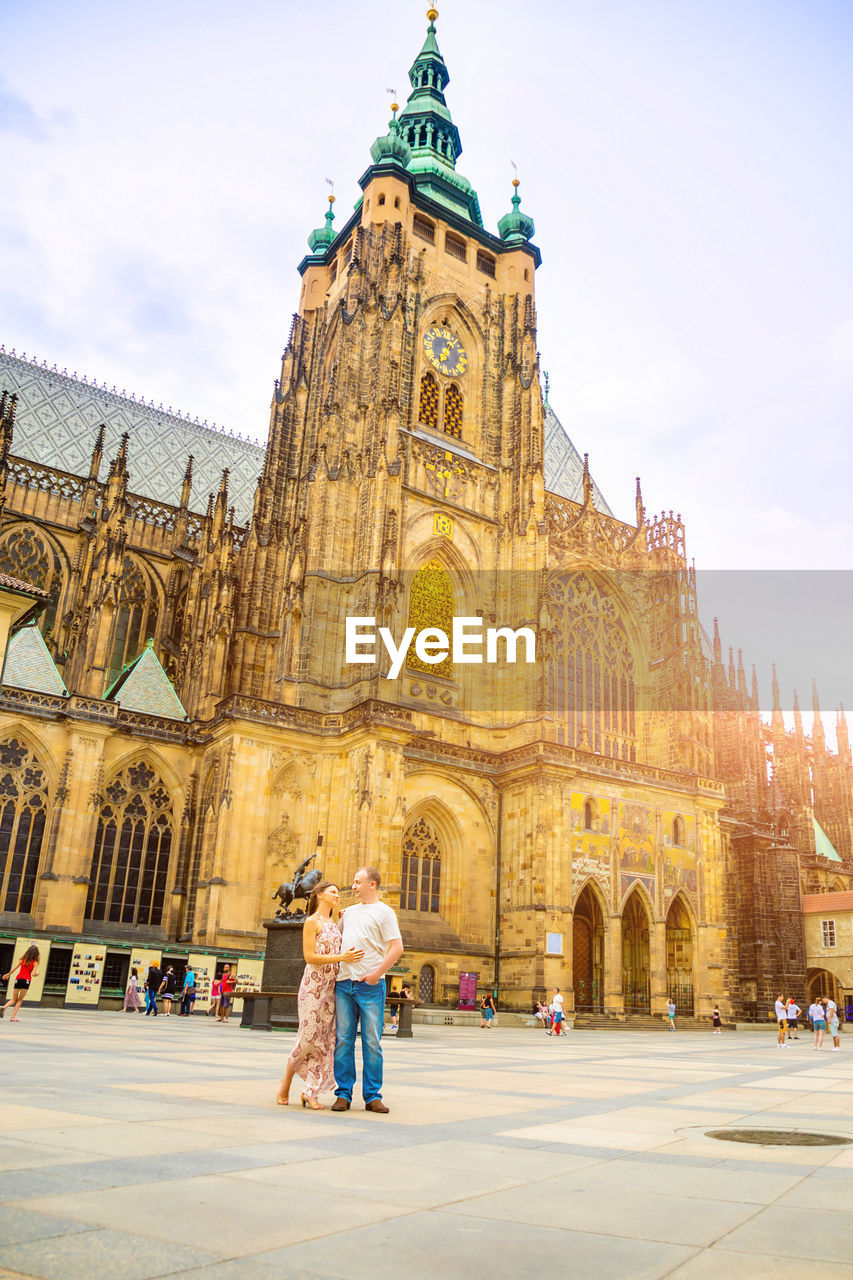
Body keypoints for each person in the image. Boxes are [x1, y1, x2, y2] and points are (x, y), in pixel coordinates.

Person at [276, 881, 364, 1109]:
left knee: (324, 1041)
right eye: (333, 892)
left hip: (331, 988)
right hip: (313, 988)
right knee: (307, 1037)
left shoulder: (334, 924)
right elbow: (309, 957)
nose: (337, 895)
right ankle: (285, 1082)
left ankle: (311, 1092)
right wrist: (341, 958)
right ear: (319, 895)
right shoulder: (311, 922)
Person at [332, 866, 404, 1114]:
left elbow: (397, 947)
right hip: (344, 984)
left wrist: (375, 975)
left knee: (372, 1042)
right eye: (353, 882)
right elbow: (334, 939)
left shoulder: (385, 912)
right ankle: (343, 1094)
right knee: (343, 1041)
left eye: (357, 882)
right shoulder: (349, 913)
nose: (353, 886)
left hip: (370, 986)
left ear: (372, 884)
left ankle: (372, 1096)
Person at [1, 945, 40, 1022]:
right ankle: (12, 1017)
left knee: (13, 999)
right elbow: (33, 974)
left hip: (18, 979)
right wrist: (37, 974)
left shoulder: (22, 959)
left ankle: (4, 1007)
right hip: (26, 981)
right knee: (20, 1000)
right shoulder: (35, 962)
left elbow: (14, 968)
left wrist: (8, 974)